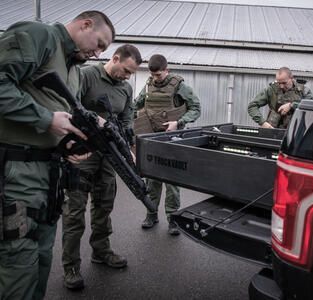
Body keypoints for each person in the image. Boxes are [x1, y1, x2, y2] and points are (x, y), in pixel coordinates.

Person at [0, 11, 114, 300]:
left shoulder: (73, 68)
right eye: (100, 43)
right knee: (18, 261)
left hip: (49, 179)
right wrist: (45, 119)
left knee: (40, 261)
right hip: (16, 175)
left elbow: (57, 118)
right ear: (85, 24)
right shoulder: (39, 35)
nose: (98, 53)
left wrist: (67, 145)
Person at [61, 44, 142, 290]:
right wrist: (95, 121)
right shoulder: (86, 75)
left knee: (104, 204)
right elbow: (69, 105)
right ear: (115, 59)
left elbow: (127, 118)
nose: (128, 76)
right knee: (75, 211)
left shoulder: (126, 88)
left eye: (132, 73)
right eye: (126, 70)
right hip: (83, 152)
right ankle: (71, 265)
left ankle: (101, 250)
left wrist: (129, 146)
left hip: (110, 154)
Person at [134, 54, 201, 235]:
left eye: (159, 75)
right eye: (153, 75)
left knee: (172, 180)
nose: (156, 79)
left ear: (167, 70)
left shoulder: (180, 86)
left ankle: (173, 219)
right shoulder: (148, 85)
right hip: (152, 138)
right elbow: (136, 105)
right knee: (151, 179)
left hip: (172, 139)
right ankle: (151, 214)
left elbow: (196, 108)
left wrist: (178, 123)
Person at [248, 67, 313, 129]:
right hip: (273, 130)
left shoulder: (302, 90)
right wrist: (262, 122)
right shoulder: (271, 90)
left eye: (284, 83)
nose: (281, 86)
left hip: (294, 132)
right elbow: (252, 106)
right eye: (279, 83)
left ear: (291, 78)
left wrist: (292, 105)